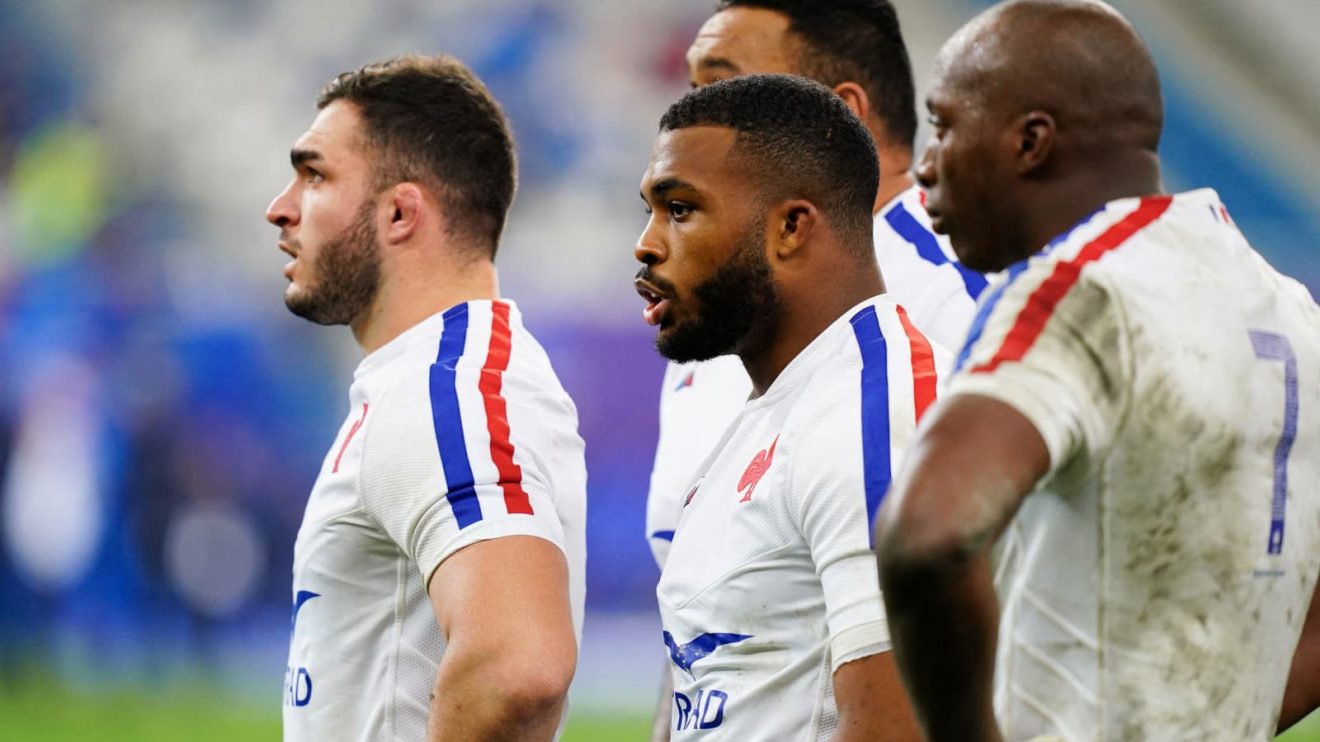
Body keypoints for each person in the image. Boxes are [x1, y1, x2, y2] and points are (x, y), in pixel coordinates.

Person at [872, 2, 1320, 740]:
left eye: (945, 126)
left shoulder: (1078, 290)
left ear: (1031, 142)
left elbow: (927, 533)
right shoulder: (1288, 308)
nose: (925, 167)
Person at [265, 55, 586, 742]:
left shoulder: (449, 387)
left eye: (315, 174)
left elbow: (517, 666)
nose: (281, 207)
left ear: (401, 213)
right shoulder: (435, 376)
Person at [637, 73, 944, 740]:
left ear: (791, 228)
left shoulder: (873, 411)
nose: (647, 243)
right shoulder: (769, 411)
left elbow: (900, 727)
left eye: (680, 209)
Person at [645, 0, 985, 573]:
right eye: (691, 93)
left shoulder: (959, 299)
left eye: (724, 89)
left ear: (839, 114)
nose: (691, 123)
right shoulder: (716, 308)